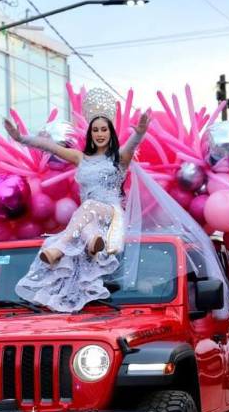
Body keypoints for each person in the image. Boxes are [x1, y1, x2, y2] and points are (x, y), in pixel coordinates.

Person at [9, 92, 150, 312]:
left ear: (110, 132)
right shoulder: (80, 158)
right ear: (90, 134)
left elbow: (131, 146)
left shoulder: (119, 158)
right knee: (87, 219)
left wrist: (139, 133)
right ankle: (93, 242)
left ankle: (61, 247)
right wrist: (21, 138)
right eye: (95, 130)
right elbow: (50, 147)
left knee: (88, 207)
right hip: (88, 218)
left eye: (104, 129)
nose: (100, 134)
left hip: (110, 214)